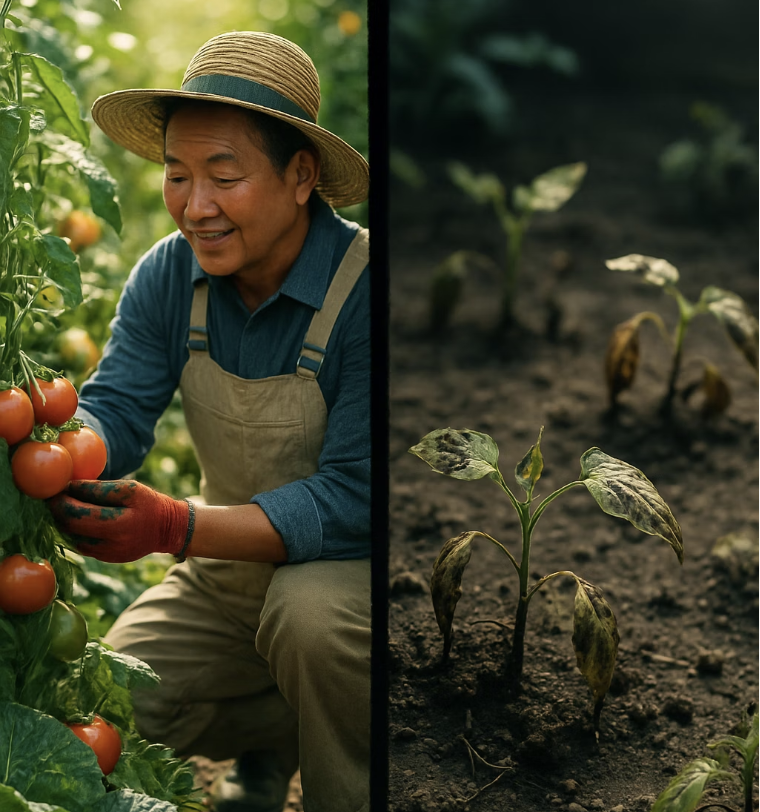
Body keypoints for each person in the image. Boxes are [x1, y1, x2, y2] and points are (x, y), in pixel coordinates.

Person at [48, 30, 371, 812]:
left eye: (224, 177)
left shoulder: (364, 293)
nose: (195, 207)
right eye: (177, 175)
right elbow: (119, 407)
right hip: (226, 579)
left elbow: (357, 497)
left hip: (348, 585)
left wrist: (173, 526)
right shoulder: (170, 275)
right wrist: (59, 445)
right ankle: (276, 735)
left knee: (310, 620)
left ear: (302, 176)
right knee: (115, 704)